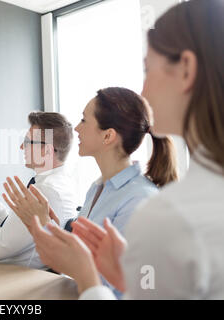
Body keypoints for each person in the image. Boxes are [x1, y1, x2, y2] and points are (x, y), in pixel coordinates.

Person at [25, 0, 224, 299]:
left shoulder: (152, 205)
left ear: (186, 69)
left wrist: (90, 274)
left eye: (148, 70)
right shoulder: (96, 190)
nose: (142, 92)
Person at [3, 88, 178, 296]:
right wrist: (42, 224)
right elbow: (78, 262)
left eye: (84, 120)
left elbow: (116, 282)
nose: (76, 128)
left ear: (108, 136)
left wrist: (43, 226)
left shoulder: (139, 201)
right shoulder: (96, 189)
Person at [0, 112, 77, 269]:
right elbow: (16, 229)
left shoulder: (45, 191)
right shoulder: (59, 182)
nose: (22, 147)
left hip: (13, 280)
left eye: (28, 142)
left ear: (46, 151)